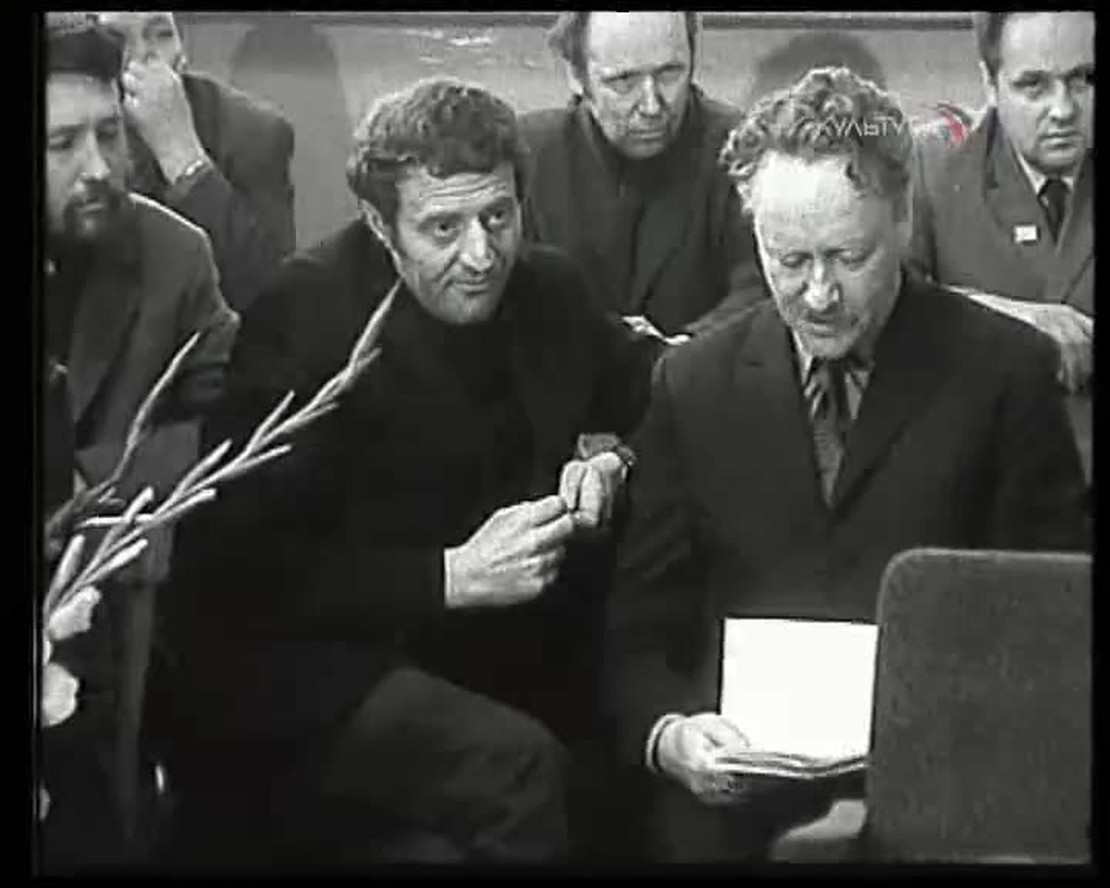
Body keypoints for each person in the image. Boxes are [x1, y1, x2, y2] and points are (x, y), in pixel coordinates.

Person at [152, 78, 661, 866]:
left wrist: (613, 464)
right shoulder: (305, 318)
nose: (482, 254)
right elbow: (238, 575)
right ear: (379, 223)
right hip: (315, 668)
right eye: (443, 228)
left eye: (499, 216)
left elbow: (660, 394)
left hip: (495, 646)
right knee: (517, 765)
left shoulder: (550, 291)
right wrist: (447, 576)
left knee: (632, 729)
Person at [604, 66, 1088, 863]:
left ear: (902, 219)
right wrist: (671, 736)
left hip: (942, 778)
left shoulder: (1005, 372)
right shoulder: (692, 385)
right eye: (789, 260)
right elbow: (635, 630)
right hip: (738, 794)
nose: (820, 294)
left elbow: (1051, 619)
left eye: (848, 256)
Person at [40, 14, 238, 872]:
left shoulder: (173, 254)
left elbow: (232, 415)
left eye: (109, 135)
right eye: (61, 144)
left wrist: (95, 486)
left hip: (112, 577)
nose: (97, 166)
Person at [909, 11, 1094, 485]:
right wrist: (1008, 322)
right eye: (1034, 86)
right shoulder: (932, 167)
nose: (1063, 110)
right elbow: (883, 311)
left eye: (1083, 79)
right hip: (980, 482)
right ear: (989, 84)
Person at [519, 11, 762, 339]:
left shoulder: (744, 151)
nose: (651, 106)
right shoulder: (527, 158)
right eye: (624, 82)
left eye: (669, 74)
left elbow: (763, 288)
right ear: (577, 76)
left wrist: (685, 353)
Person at [95, 11, 296, 311]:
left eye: (162, 34)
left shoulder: (254, 134)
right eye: (115, 39)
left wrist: (180, 153)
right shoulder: (61, 124)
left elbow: (272, 302)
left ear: (182, 50)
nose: (140, 59)